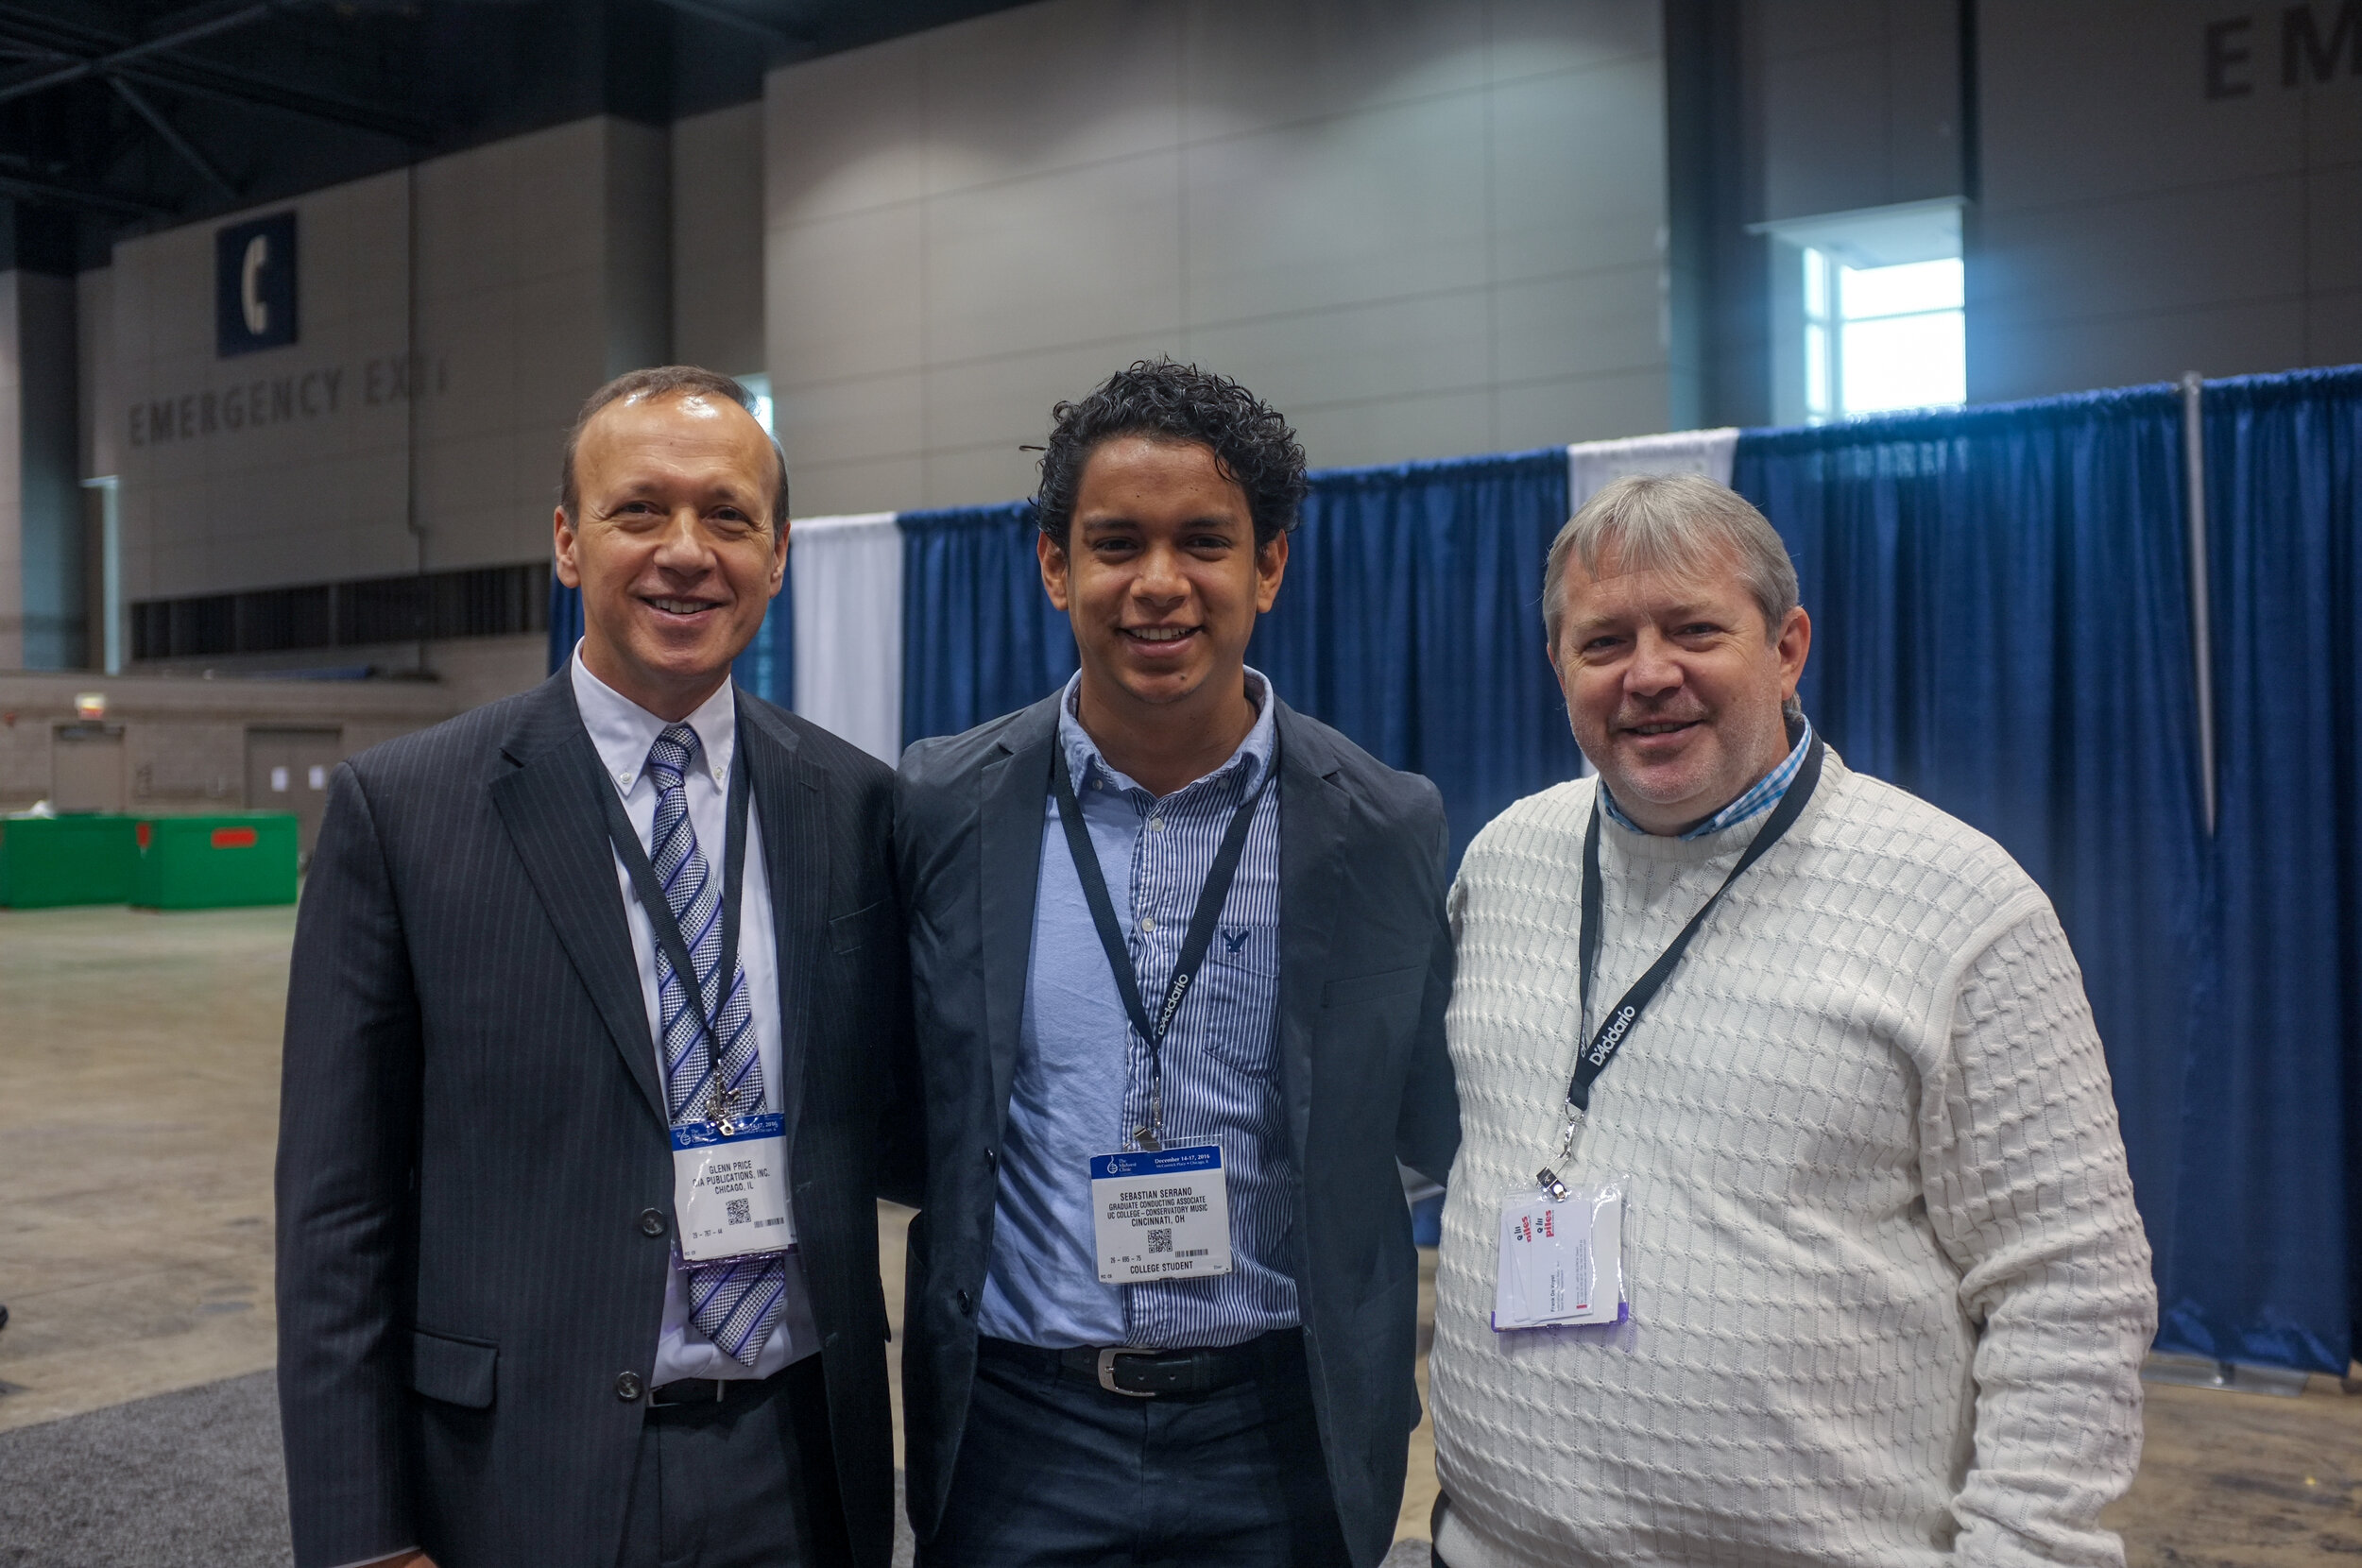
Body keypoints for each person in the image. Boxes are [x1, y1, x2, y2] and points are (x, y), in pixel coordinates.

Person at [1428, 473, 2156, 1568]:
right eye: (1604, 641)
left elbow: (2070, 1287)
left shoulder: (1960, 903)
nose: (1649, 674)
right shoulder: (1503, 861)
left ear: (1786, 645)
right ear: (1557, 667)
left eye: (1693, 629)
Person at [275, 366, 916, 1568]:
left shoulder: (855, 804)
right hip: (521, 1474)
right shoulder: (406, 812)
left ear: (776, 557)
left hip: (801, 1468)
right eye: (639, 511)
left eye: (727, 516)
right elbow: (335, 1208)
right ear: (568, 543)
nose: (686, 551)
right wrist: (361, 1534)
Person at [894, 360, 1459, 1568]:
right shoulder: (943, 802)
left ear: (1269, 565)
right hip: (1016, 1438)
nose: (1159, 585)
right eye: (1114, 544)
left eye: (1204, 541)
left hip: (1280, 1437)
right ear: (1055, 567)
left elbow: (1416, 1115)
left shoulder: (1382, 821)